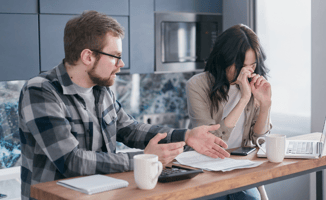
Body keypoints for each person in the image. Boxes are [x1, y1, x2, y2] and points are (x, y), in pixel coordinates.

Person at [18, 10, 230, 200]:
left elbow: (131, 130)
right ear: (87, 56)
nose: (122, 64)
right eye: (115, 56)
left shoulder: (101, 90)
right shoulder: (41, 91)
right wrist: (144, 159)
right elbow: (71, 161)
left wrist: (186, 136)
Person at [186, 24, 272, 200]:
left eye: (252, 65)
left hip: (237, 168)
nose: (247, 72)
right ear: (224, 59)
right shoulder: (197, 85)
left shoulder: (254, 84)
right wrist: (243, 99)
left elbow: (260, 143)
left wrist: (265, 105)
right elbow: (211, 144)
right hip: (204, 169)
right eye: (240, 65)